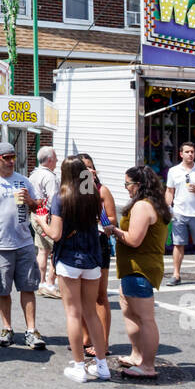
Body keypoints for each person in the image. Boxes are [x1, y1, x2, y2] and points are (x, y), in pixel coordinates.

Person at [33, 156, 109, 382]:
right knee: (91, 313)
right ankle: (102, 365)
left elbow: (55, 234)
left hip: (69, 260)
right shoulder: (93, 195)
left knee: (73, 313)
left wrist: (40, 222)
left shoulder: (61, 197)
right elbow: (102, 221)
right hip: (92, 258)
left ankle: (79, 366)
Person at [0, 142, 46, 350]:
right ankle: (7, 328)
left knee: (28, 287)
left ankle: (31, 331)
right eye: (6, 158)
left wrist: (30, 200)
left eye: (13, 157)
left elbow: (38, 207)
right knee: (2, 289)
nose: (11, 161)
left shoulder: (23, 181)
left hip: (24, 242)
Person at [106, 166, 168, 380]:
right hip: (134, 267)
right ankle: (137, 356)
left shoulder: (142, 206)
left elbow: (133, 239)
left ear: (139, 185)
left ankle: (148, 365)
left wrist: (113, 230)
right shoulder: (152, 203)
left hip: (139, 267)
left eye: (128, 184)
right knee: (130, 313)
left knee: (145, 318)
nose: (126, 189)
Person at [78, 153, 117, 357]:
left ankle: (103, 342)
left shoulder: (102, 191)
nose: (88, 171)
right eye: (83, 167)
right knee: (82, 296)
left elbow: (111, 220)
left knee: (100, 296)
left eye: (91, 167)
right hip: (77, 245)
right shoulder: (72, 191)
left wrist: (97, 218)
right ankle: (86, 339)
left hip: (98, 243)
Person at [166, 142, 195, 285]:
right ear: (181, 154)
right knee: (178, 244)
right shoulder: (173, 171)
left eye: (192, 152)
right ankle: (176, 274)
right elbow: (169, 191)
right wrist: (168, 207)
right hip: (179, 212)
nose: (190, 154)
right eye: (187, 152)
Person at [28, 146, 61, 300]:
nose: (56, 161)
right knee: (57, 248)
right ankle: (50, 283)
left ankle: (41, 283)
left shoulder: (33, 175)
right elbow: (54, 200)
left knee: (42, 250)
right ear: (49, 160)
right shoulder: (50, 177)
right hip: (47, 217)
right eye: (55, 159)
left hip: (36, 215)